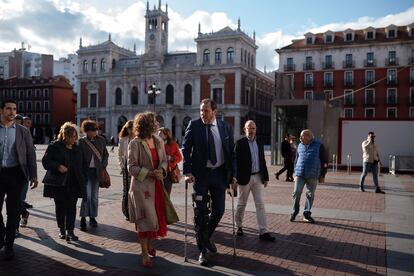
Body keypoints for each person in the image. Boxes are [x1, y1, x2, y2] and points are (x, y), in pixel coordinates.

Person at [182, 98, 236, 266]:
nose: (203, 114)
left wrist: (233, 174)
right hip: (200, 176)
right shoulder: (194, 125)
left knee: (219, 210)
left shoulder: (225, 128)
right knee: (201, 214)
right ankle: (203, 252)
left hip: (219, 175)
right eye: (201, 110)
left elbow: (231, 153)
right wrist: (187, 171)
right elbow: (186, 148)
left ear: (214, 111)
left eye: (206, 110)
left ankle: (204, 238)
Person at [127, 112, 168, 268]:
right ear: (146, 125)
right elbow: (131, 168)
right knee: (145, 220)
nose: (156, 123)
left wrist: (161, 170)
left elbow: (163, 160)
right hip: (141, 188)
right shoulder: (135, 143)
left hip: (156, 185)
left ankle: (149, 245)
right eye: (153, 121)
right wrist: (150, 173)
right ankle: (144, 252)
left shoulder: (157, 140)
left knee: (154, 218)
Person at [0, 99, 38, 260]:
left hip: (16, 175)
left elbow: (30, 154)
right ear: (1, 110)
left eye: (14, 109)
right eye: (8, 109)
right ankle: (2, 232)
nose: (12, 112)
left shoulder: (23, 131)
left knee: (13, 213)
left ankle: (9, 246)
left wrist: (34, 175)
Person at [42, 122, 87, 241]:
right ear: (65, 135)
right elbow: (45, 162)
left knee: (72, 207)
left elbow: (83, 165)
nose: (74, 139)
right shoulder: (54, 147)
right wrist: (57, 166)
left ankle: (70, 231)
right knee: (60, 207)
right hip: (59, 183)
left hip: (74, 183)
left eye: (75, 136)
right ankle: (62, 230)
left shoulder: (77, 149)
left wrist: (84, 178)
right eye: (72, 136)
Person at [234, 120, 275, 242]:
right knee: (241, 204)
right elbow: (235, 162)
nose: (251, 130)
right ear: (244, 129)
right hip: (244, 178)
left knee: (260, 204)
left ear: (256, 130)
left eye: (253, 128)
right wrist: (234, 178)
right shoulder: (240, 143)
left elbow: (262, 160)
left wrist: (266, 177)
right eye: (249, 128)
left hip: (257, 177)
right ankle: (239, 226)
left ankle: (263, 231)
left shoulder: (260, 142)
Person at [290, 129, 328, 224]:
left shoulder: (319, 145)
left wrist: (323, 175)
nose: (300, 138)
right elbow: (296, 160)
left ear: (308, 136)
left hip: (313, 174)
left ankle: (306, 213)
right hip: (300, 174)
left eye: (302, 136)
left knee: (310, 194)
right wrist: (295, 172)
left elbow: (324, 161)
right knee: (296, 192)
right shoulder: (300, 145)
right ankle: (295, 211)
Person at [78, 120, 109, 231]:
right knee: (87, 196)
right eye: (93, 130)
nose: (95, 132)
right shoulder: (81, 142)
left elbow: (105, 154)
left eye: (96, 129)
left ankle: (92, 217)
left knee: (94, 197)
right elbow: (79, 158)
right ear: (87, 131)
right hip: (86, 172)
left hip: (97, 172)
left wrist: (103, 166)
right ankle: (82, 217)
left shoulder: (101, 140)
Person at [17, 117, 34, 231]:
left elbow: (30, 155)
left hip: (23, 173)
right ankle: (24, 213)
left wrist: (33, 175)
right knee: (12, 200)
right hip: (7, 172)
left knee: (17, 200)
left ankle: (15, 228)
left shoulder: (25, 133)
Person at [158, 127, 182, 196]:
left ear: (166, 135)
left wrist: (172, 158)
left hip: (168, 172)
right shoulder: (156, 144)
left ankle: (166, 206)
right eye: (158, 133)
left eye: (160, 134)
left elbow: (179, 157)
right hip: (157, 171)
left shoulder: (173, 144)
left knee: (166, 193)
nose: (158, 135)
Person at [118, 120, 134, 220]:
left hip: (136, 167)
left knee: (135, 190)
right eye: (129, 128)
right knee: (126, 190)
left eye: (132, 128)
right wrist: (122, 166)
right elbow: (120, 154)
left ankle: (134, 212)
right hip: (126, 167)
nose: (130, 130)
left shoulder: (138, 139)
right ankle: (126, 211)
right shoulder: (123, 139)